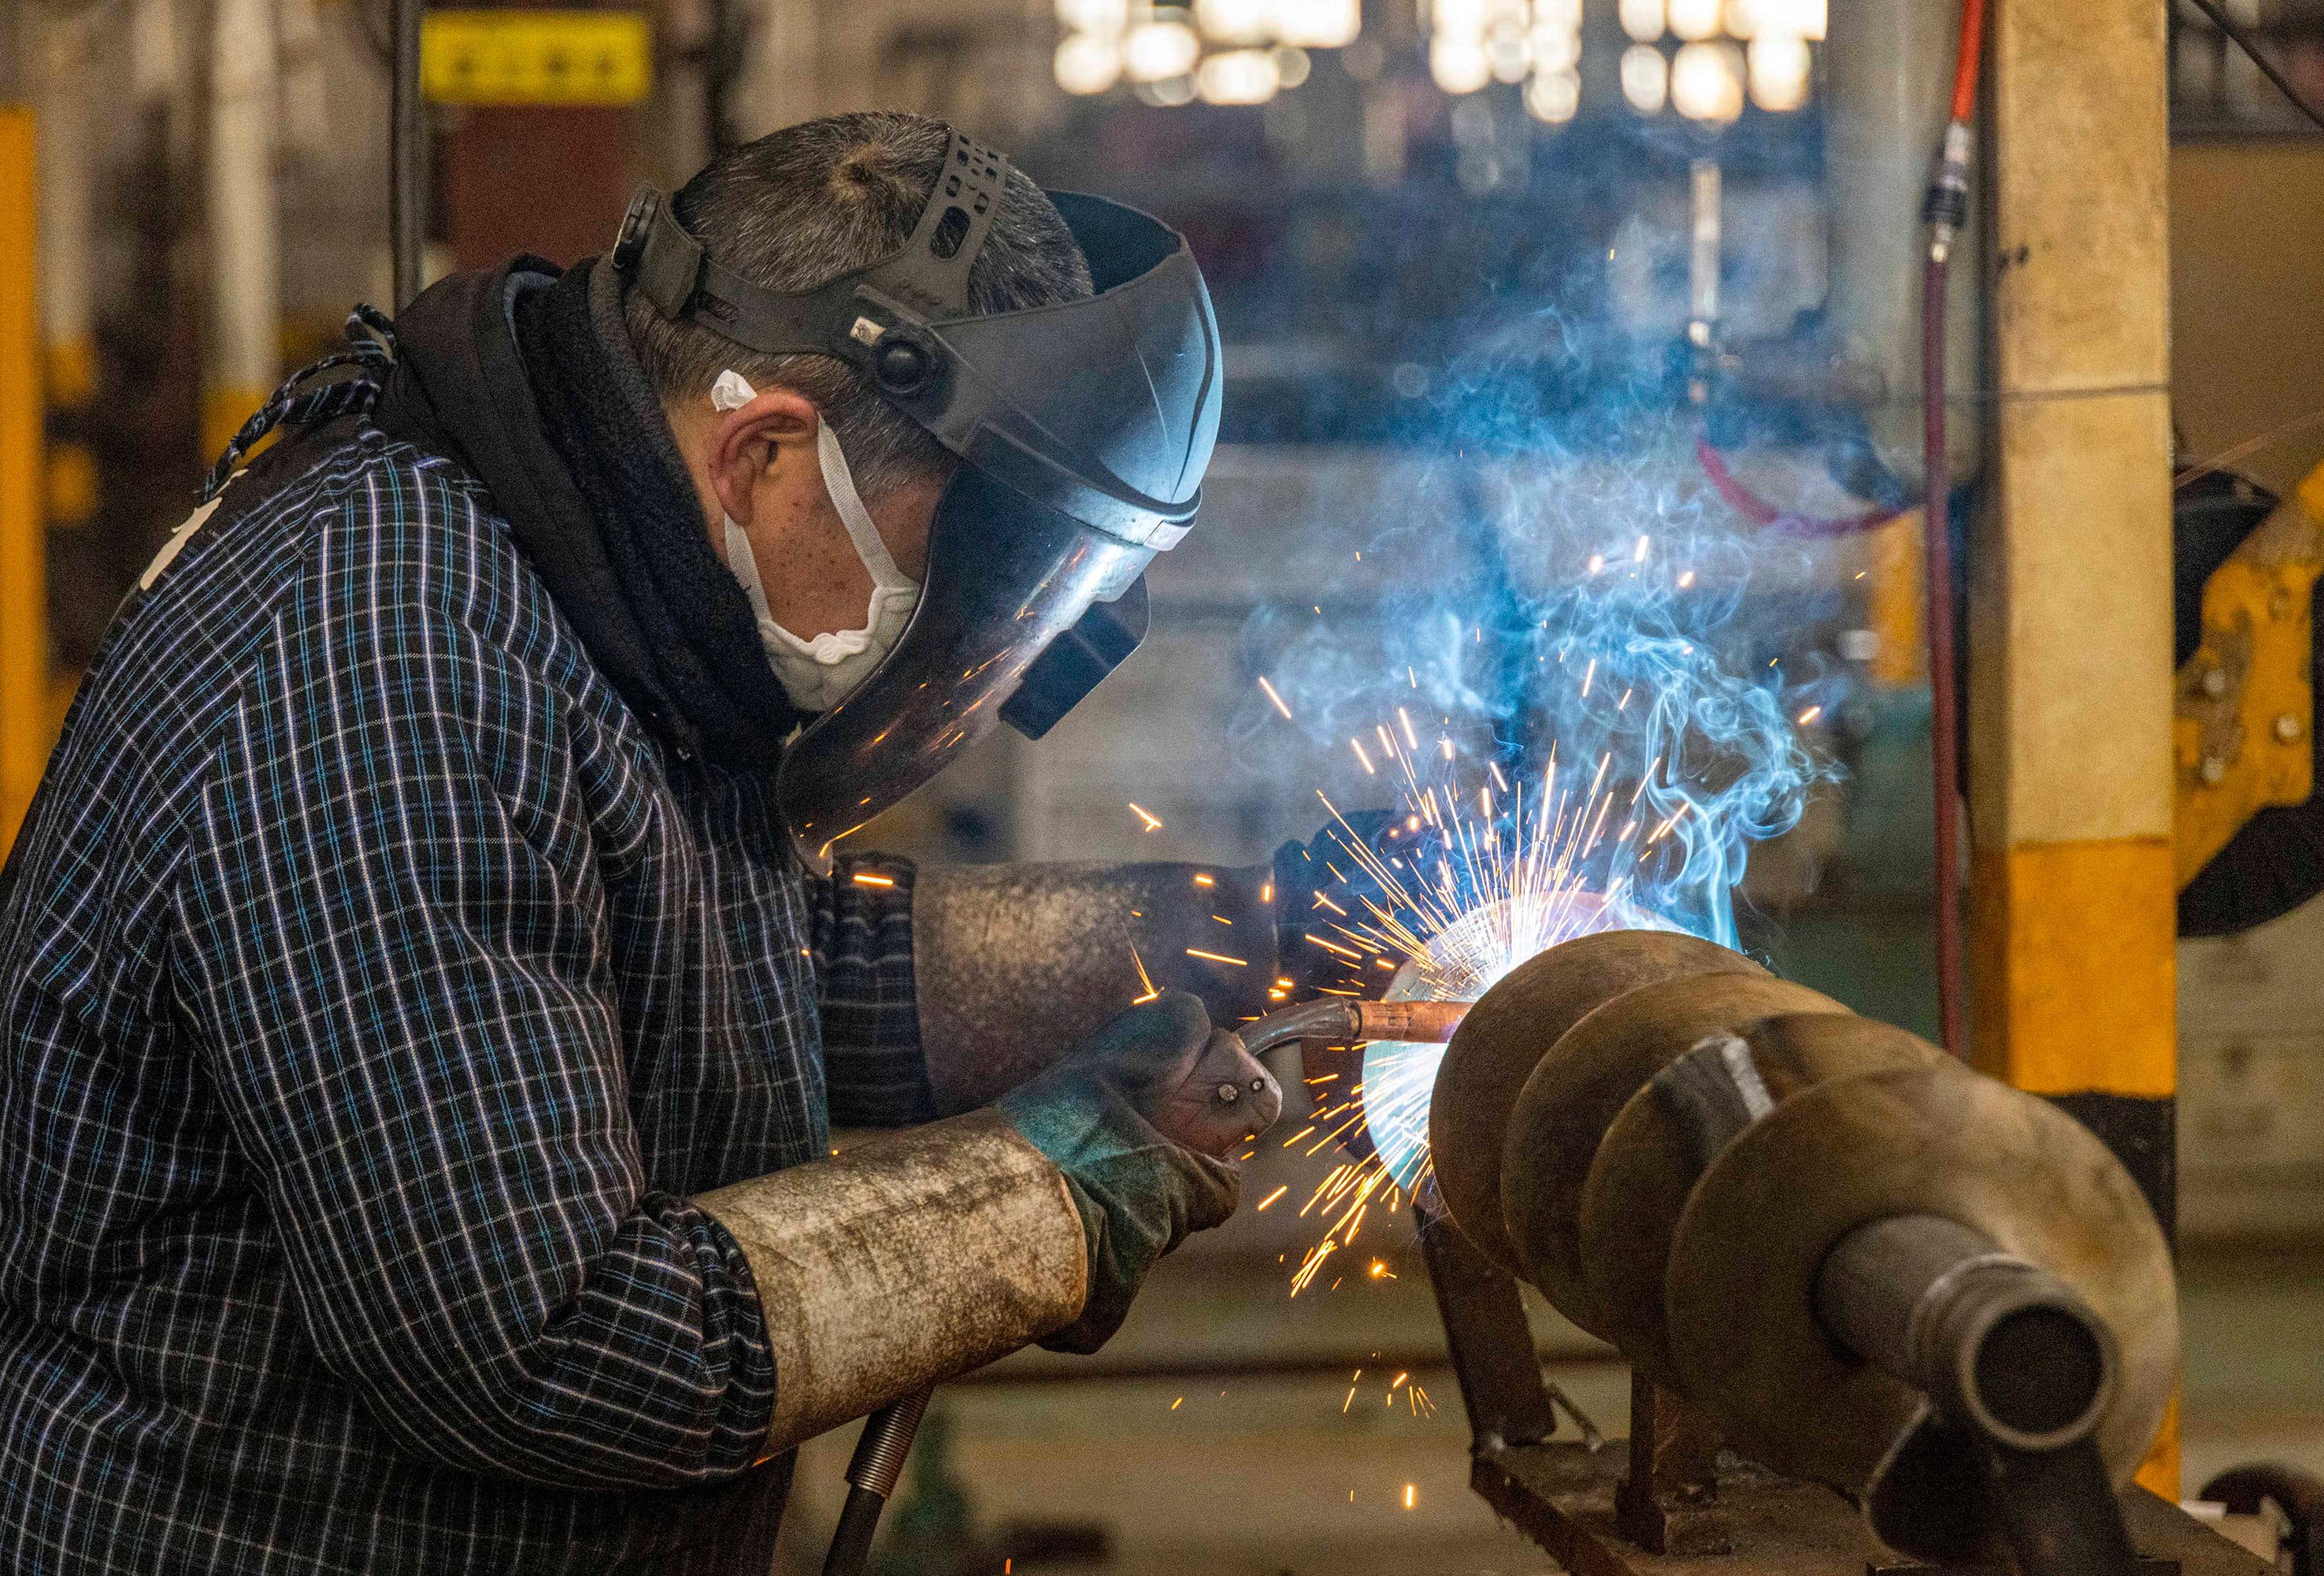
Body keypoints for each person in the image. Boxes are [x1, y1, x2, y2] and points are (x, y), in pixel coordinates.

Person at [0, 112, 1368, 1574]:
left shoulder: (605, 585)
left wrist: (1252, 932)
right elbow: (548, 1345)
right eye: (948, 557)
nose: (971, 652)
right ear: (767, 454)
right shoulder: (390, 667)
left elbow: (743, 966)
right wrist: (1043, 1195)